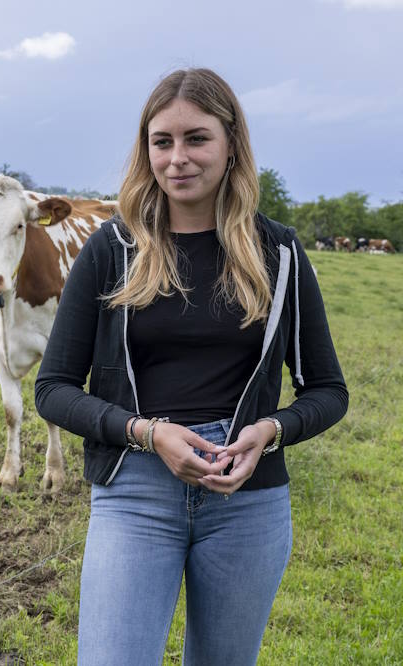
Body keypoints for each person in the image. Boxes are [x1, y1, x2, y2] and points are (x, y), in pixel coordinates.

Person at [34, 68, 348, 665]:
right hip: (135, 491)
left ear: (231, 146)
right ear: (146, 149)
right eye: (162, 141)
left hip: (248, 501)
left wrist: (270, 431)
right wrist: (146, 433)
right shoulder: (112, 249)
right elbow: (52, 388)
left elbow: (327, 389)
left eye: (196, 139)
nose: (177, 158)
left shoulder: (279, 254)